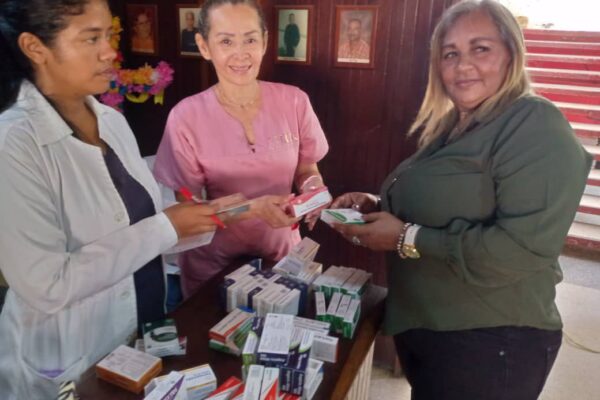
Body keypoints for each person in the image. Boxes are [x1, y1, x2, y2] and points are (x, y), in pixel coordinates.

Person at [329, 1, 592, 399]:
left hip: (491, 340)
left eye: (480, 48)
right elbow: (452, 200)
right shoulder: (456, 122)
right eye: (450, 53)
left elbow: (522, 249)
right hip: (433, 330)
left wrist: (405, 237)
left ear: (512, 53)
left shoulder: (534, 123)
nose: (462, 65)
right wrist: (379, 204)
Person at [0, 1, 220, 398]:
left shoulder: (112, 121)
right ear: (35, 47)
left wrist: (207, 216)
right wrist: (167, 227)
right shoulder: (13, 144)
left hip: (143, 332)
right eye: (91, 38)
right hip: (68, 355)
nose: (110, 53)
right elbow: (47, 285)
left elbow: (135, 223)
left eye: (109, 35)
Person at [153, 0, 329, 298]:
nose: (240, 53)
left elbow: (307, 168)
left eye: (250, 39)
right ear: (204, 46)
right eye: (226, 41)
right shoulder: (186, 118)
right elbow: (188, 207)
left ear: (265, 41)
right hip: (212, 268)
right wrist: (250, 208)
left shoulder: (294, 102)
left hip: (281, 257)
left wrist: (313, 192)